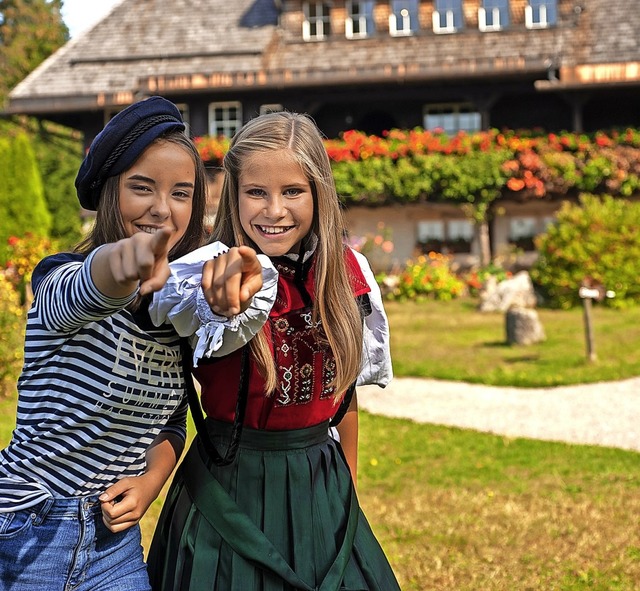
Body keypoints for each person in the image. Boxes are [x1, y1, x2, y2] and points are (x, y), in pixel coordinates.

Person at [146, 111, 400, 590]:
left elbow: (343, 398)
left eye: (292, 192)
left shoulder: (347, 271)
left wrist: (347, 485)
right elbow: (166, 390)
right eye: (256, 193)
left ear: (318, 194)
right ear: (234, 196)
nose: (274, 210)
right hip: (231, 480)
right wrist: (222, 307)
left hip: (318, 478)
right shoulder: (206, 274)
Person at [0, 96, 210, 591]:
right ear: (110, 192)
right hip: (26, 526)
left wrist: (150, 482)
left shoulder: (174, 310)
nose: (162, 208)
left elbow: (172, 423)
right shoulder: (58, 280)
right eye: (142, 188)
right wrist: (136, 256)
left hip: (113, 545)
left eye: (181, 194)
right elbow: (97, 283)